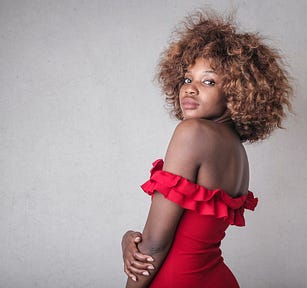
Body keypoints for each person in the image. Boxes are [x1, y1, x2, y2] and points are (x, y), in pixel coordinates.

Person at [121, 10, 292, 288]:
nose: (190, 89)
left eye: (208, 81)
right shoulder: (235, 151)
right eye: (188, 79)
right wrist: (130, 238)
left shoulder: (193, 133)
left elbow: (154, 246)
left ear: (236, 93)